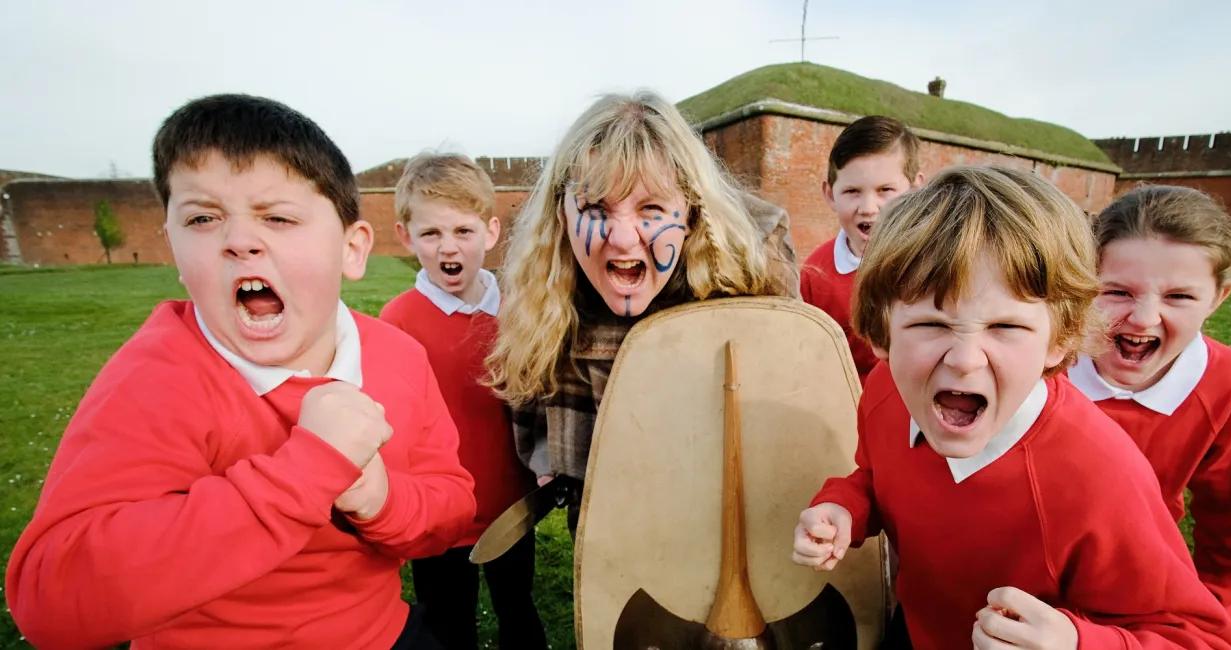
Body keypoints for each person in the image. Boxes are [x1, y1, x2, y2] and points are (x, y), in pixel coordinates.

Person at [5, 94, 475, 648]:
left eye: (277, 217)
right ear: (174, 249)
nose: (239, 241)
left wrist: (380, 498)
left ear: (352, 249)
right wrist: (306, 471)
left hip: (379, 633)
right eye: (203, 218)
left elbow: (452, 507)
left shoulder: (397, 354)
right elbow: (53, 598)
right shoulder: (156, 377)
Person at [791, 166, 1231, 649]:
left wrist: (1075, 643)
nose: (963, 360)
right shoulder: (885, 392)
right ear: (882, 333)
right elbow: (878, 475)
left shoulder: (1101, 478)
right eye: (930, 324)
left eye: (1005, 327)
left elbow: (1200, 637)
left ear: (1058, 340)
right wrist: (846, 506)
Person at [485, 90, 793, 530]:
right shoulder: (545, 295)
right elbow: (530, 403)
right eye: (594, 207)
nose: (623, 238)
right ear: (563, 215)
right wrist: (554, 459)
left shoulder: (754, 283)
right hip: (606, 526)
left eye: (650, 208)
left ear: (689, 214)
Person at [1068, 185, 1231, 635]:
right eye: (1118, 292)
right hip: (1010, 586)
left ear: (1218, 298)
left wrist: (1212, 625)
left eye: (1179, 297)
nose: (1143, 318)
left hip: (1137, 596)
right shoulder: (1043, 358)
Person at [380, 152, 546, 649]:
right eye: (431, 234)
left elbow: (541, 392)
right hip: (438, 513)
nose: (448, 246)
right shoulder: (398, 322)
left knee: (518, 607)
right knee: (448, 621)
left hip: (510, 505)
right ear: (407, 237)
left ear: (491, 232)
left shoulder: (519, 309)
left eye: (463, 231)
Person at [800, 115, 925, 380]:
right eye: (852, 191)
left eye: (885, 190)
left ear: (915, 190)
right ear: (830, 194)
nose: (868, 208)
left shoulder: (935, 264)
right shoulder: (813, 275)